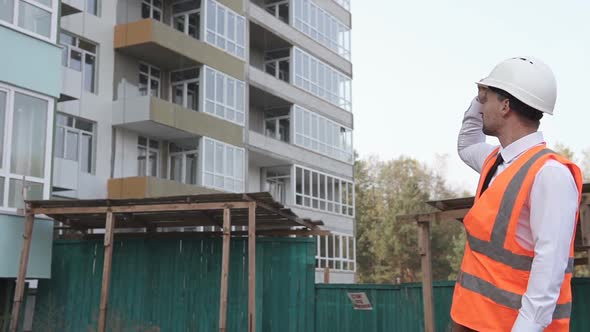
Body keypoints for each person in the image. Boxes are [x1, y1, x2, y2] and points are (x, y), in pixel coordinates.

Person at [451, 57, 583, 332]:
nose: (482, 106)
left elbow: (550, 266)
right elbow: (467, 143)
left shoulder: (549, 174)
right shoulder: (495, 160)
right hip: (470, 318)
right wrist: (480, 96)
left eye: (487, 100)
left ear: (506, 106)